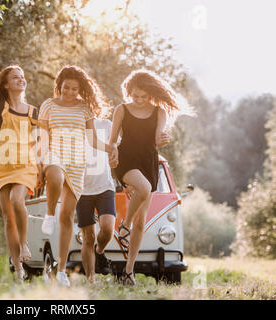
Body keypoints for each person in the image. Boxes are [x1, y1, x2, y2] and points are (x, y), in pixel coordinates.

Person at [108, 69, 193, 286]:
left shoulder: (159, 112)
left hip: (148, 162)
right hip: (127, 160)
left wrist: (164, 139)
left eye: (143, 96)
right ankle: (123, 225)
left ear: (151, 95)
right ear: (129, 92)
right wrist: (116, 165)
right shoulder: (122, 110)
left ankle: (128, 272)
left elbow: (158, 140)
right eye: (134, 95)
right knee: (144, 190)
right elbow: (112, 141)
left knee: (141, 222)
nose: (138, 100)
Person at [38, 65, 117, 287]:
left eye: (74, 89)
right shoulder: (48, 105)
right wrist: (39, 163)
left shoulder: (84, 109)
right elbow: (43, 136)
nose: (70, 92)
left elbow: (92, 140)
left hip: (77, 163)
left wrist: (109, 148)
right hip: (54, 154)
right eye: (66, 88)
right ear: (59, 86)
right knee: (54, 178)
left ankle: (61, 270)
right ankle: (49, 214)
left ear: (80, 89)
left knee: (68, 216)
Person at [0, 21, 41, 280]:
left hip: (25, 164)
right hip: (2, 167)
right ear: (6, 85)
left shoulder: (33, 111)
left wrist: (42, 167)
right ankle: (17, 269)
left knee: (18, 202)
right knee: (7, 219)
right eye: (15, 77)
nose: (21, 79)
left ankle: (25, 244)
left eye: (22, 76)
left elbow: (41, 141)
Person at [77, 116, 119, 283]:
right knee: (88, 236)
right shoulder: (73, 123)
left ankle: (100, 251)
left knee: (108, 228)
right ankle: (91, 280)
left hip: (105, 187)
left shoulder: (106, 125)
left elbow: (116, 149)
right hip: (81, 190)